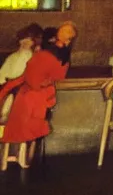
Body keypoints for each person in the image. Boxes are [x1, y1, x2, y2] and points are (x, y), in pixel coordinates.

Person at [0, 22, 77, 154]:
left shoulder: (40, 56)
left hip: (24, 94)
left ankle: (15, 155)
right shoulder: (34, 56)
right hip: (25, 95)